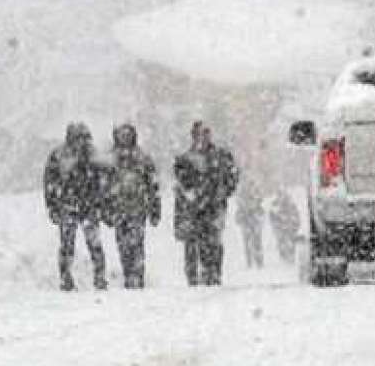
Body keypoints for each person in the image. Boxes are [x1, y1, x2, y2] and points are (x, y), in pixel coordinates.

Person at [173, 121, 239, 286]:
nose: (202, 138)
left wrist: (224, 191)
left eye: (205, 134)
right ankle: (193, 276)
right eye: (199, 134)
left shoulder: (221, 156)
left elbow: (232, 176)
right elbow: (181, 184)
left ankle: (213, 274)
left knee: (213, 242)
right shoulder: (185, 159)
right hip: (192, 208)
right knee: (191, 243)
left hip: (214, 206)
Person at [43, 122, 107, 291]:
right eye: (78, 137)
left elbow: (103, 181)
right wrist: (52, 206)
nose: (81, 141)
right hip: (68, 206)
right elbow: (50, 182)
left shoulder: (93, 155)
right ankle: (66, 278)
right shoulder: (59, 155)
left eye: (84, 137)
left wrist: (102, 203)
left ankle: (100, 278)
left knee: (94, 244)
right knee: (67, 245)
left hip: (88, 206)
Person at [103, 123, 160, 288]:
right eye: (122, 135)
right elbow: (103, 186)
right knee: (123, 245)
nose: (125, 138)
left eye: (128, 135)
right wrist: (105, 209)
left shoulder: (142, 158)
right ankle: (128, 274)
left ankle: (138, 275)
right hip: (118, 209)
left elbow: (153, 185)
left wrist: (155, 208)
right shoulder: (111, 159)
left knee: (137, 244)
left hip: (137, 209)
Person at [235, 177, 265, 269]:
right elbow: (239, 202)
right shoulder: (243, 191)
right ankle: (253, 261)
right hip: (248, 218)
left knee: (254, 240)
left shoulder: (252, 189)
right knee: (251, 240)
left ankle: (256, 261)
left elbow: (260, 199)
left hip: (252, 217)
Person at [269, 191, 301, 264]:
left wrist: (295, 225)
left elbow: (296, 216)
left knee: (289, 242)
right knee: (282, 242)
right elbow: (272, 216)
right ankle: (285, 257)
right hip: (282, 227)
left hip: (289, 227)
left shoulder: (290, 205)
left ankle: (290, 257)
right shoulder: (275, 204)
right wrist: (276, 225)